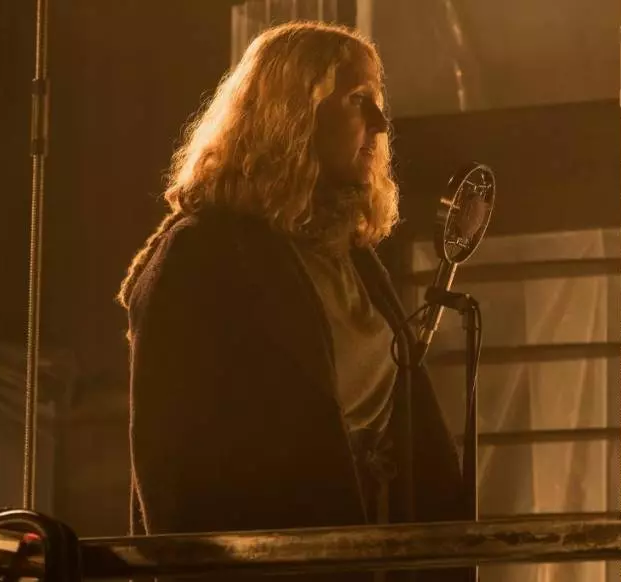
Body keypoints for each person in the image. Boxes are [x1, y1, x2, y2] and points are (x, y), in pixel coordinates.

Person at [118, 21, 466, 582]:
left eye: (379, 104)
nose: (380, 124)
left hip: (375, 559)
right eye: (358, 100)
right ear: (293, 113)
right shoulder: (201, 255)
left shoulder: (351, 256)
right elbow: (169, 464)